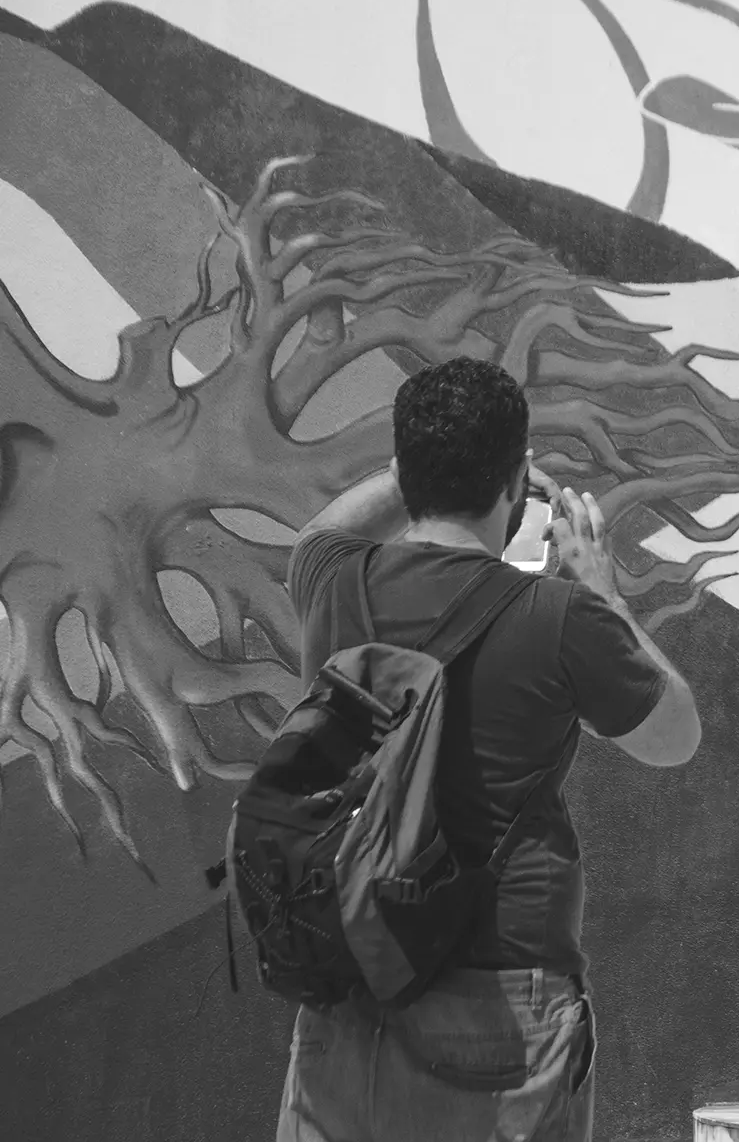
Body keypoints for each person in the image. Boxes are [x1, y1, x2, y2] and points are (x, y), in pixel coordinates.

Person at [275, 357, 701, 1142]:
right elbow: (677, 736)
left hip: (348, 990)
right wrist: (604, 590)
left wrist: (425, 464)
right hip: (502, 1004)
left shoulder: (332, 583)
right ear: (518, 479)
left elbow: (321, 530)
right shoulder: (563, 618)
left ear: (407, 475)